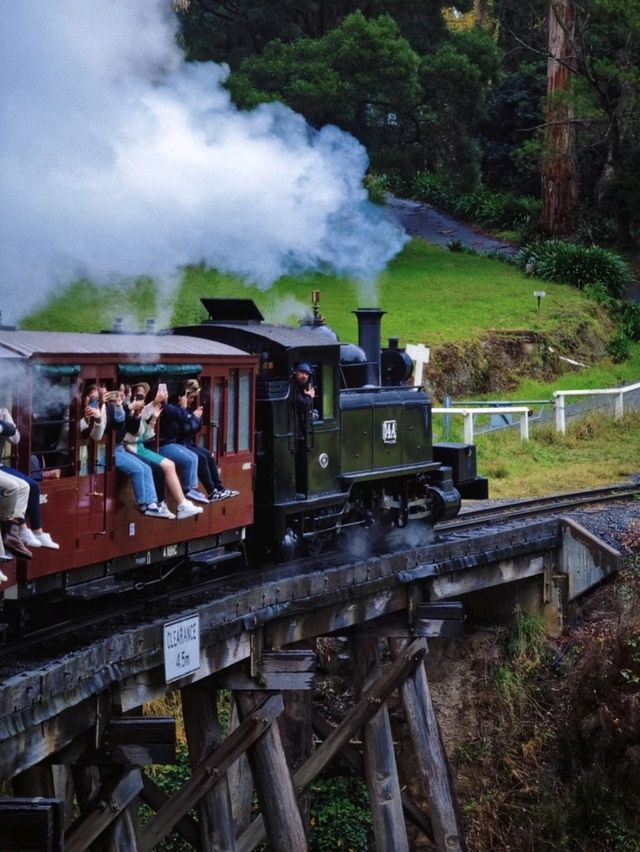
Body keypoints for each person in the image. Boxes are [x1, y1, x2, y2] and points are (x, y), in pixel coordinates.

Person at [123, 383, 203, 520]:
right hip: (132, 448)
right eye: (138, 395)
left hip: (140, 447)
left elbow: (147, 435)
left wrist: (153, 418)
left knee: (169, 465)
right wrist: (153, 404)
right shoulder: (129, 412)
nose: (140, 399)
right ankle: (172, 504)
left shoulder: (139, 411)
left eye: (142, 395)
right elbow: (134, 429)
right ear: (131, 395)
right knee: (164, 466)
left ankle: (180, 504)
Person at [0, 404, 59, 549]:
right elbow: (7, 429)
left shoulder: (2, 411)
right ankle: (15, 531)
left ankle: (35, 531)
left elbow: (15, 439)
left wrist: (6, 417)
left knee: (31, 485)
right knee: (14, 487)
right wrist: (5, 426)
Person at [177, 379, 238, 501]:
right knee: (201, 458)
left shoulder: (187, 410)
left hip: (187, 442)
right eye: (191, 397)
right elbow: (185, 429)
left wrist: (195, 418)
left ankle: (219, 488)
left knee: (209, 455)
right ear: (183, 396)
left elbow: (194, 428)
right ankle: (211, 491)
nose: (192, 400)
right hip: (179, 442)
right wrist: (195, 417)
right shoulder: (177, 410)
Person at [156, 386, 208, 504]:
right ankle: (188, 488)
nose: (165, 395)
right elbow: (183, 418)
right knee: (188, 460)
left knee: (195, 456)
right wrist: (185, 409)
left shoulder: (171, 407)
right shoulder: (166, 407)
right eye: (163, 393)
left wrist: (190, 415)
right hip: (162, 444)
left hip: (172, 442)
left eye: (166, 392)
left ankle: (193, 488)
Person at [292, 362, 315, 498]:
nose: (304, 376)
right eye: (302, 372)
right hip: (293, 431)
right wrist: (309, 397)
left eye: (306, 374)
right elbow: (301, 404)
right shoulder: (292, 388)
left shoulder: (299, 387)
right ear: (296, 372)